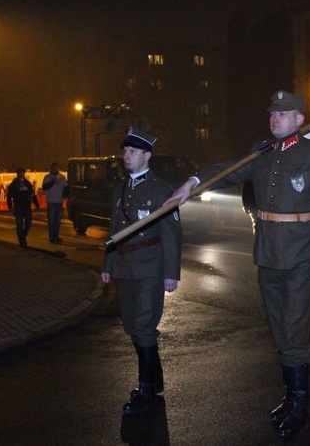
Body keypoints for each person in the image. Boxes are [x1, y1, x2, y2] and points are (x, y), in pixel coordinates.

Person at [166, 90, 310, 439]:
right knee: (278, 328)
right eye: (272, 113)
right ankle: (290, 398)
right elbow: (227, 171)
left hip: (302, 255)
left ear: (299, 119)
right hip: (268, 254)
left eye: (284, 113)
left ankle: (301, 408)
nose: (275, 118)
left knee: (294, 329)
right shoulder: (262, 153)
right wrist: (192, 183)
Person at [102, 128, 182, 414]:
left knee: (145, 327)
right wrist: (108, 265)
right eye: (125, 152)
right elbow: (115, 230)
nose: (127, 156)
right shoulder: (120, 189)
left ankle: (146, 391)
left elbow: (172, 233)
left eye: (133, 152)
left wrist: (171, 272)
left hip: (149, 266)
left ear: (147, 155)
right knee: (132, 327)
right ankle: (155, 379)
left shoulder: (160, 190)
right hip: (124, 267)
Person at [6, 167, 39, 248]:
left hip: (27, 206)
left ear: (24, 173)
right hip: (18, 206)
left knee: (28, 223)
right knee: (19, 224)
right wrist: (10, 207)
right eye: (19, 172)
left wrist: (36, 203)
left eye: (22, 172)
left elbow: (32, 194)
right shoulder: (13, 184)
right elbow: (9, 196)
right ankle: (22, 240)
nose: (20, 174)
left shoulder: (28, 183)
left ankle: (23, 235)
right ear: (17, 174)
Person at [42, 162, 69, 243]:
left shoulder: (62, 177)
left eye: (56, 168)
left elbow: (66, 187)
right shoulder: (47, 177)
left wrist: (65, 195)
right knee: (51, 220)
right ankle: (52, 236)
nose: (55, 169)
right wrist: (52, 181)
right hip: (51, 201)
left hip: (59, 201)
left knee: (57, 220)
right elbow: (44, 187)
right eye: (53, 168)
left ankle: (56, 236)